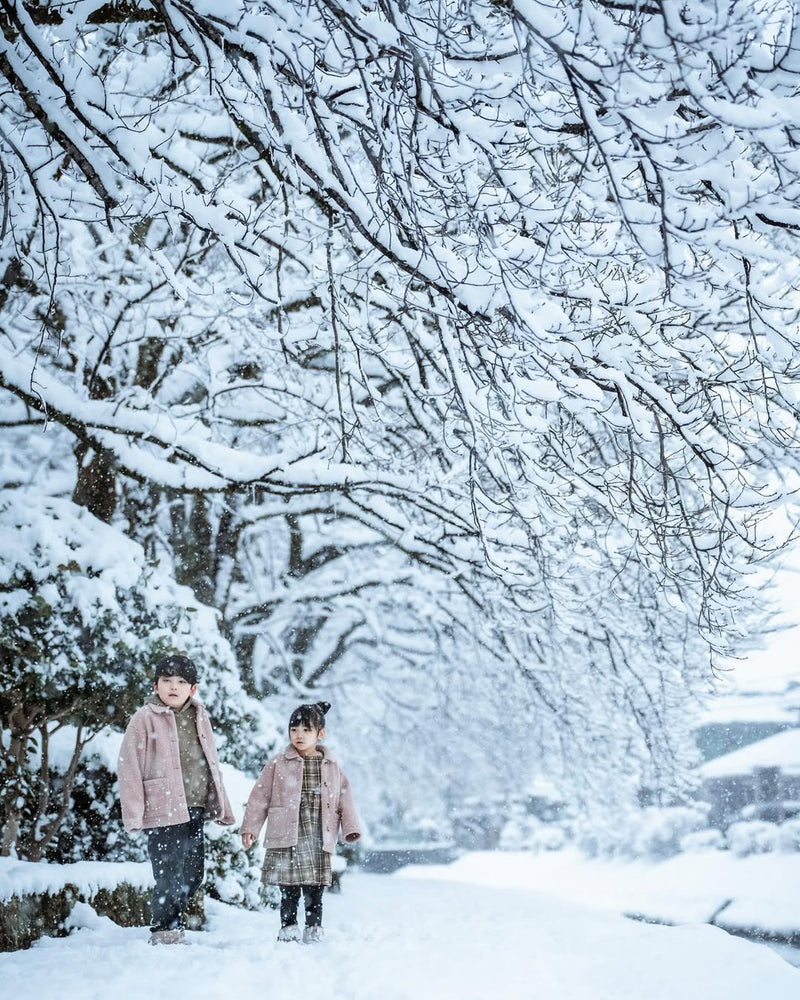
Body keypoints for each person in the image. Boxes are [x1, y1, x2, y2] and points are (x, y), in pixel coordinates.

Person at [117, 653, 235, 944]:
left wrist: (221, 802)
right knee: (168, 871)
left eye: (181, 682)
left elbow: (212, 761)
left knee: (193, 873)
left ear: (192, 689)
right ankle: (164, 929)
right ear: (155, 686)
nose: (173, 687)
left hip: (194, 805)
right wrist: (133, 813)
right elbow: (128, 766)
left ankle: (175, 921)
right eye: (166, 681)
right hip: (163, 807)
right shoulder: (144, 718)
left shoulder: (199, 715)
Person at [240, 700, 361, 943]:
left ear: (320, 733)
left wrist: (351, 828)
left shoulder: (331, 765)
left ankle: (314, 927)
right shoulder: (278, 762)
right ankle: (288, 926)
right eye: (294, 730)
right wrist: (251, 828)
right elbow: (260, 795)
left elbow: (344, 797)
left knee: (315, 888)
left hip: (318, 834)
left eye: (306, 730)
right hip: (287, 834)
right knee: (289, 887)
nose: (299, 735)